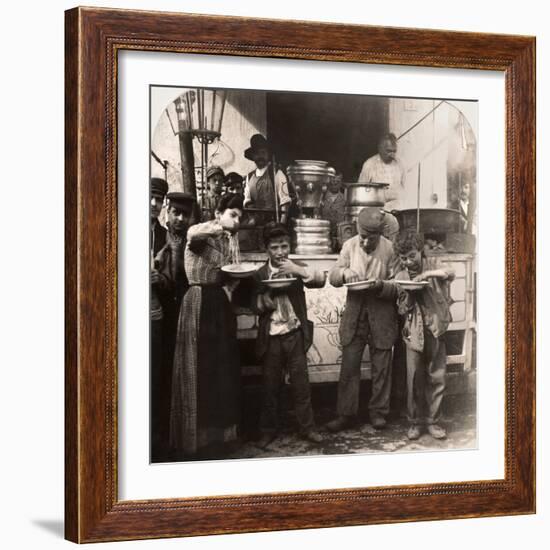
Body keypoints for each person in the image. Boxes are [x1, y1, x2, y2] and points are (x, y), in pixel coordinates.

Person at [170, 193, 244, 458]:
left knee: (221, 367)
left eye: (240, 217)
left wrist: (230, 289)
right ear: (218, 213)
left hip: (219, 304)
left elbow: (232, 273)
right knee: (199, 367)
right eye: (233, 214)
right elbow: (192, 234)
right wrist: (221, 225)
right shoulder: (200, 234)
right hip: (198, 301)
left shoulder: (229, 243)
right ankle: (195, 439)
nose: (237, 221)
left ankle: (221, 436)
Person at [251, 223, 326, 449]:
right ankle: (267, 430)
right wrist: (265, 300)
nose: (281, 251)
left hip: (294, 334)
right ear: (267, 250)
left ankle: (308, 427)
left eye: (284, 246)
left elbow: (320, 280)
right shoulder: (260, 274)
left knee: (301, 386)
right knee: (270, 387)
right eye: (275, 247)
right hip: (272, 336)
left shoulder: (296, 267)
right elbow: (254, 305)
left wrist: (298, 270)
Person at [326, 207, 398, 432]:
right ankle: (345, 414)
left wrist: (382, 286)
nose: (366, 243)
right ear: (358, 232)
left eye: (372, 238)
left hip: (382, 315)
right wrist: (345, 273)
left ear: (380, 234)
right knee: (349, 366)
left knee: (381, 367)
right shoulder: (349, 246)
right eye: (363, 238)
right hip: (355, 314)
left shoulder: (390, 249)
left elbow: (399, 285)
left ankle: (378, 412)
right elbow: (334, 276)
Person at [391, 231, 455, 440]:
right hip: (413, 333)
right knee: (414, 379)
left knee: (436, 377)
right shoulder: (400, 276)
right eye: (403, 258)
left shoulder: (434, 263)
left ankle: (433, 422)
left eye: (412, 256)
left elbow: (450, 272)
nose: (408, 262)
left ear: (420, 251)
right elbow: (401, 309)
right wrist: (409, 296)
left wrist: (428, 275)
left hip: (436, 329)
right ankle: (415, 423)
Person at [151, 191, 195, 461]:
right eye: (176, 213)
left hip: (187, 313)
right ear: (167, 212)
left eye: (185, 214)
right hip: (165, 317)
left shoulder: (193, 241)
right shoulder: (162, 240)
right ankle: (164, 435)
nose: (180, 219)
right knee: (165, 372)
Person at [243, 134, 291, 223]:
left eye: (263, 153)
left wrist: (281, 224)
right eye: (257, 154)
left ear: (268, 154)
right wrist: (252, 219)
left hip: (274, 223)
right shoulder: (249, 178)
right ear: (253, 156)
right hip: (255, 224)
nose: (260, 156)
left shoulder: (277, 174)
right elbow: (247, 201)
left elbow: (285, 202)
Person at [358, 133, 405, 211]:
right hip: (377, 212)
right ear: (380, 148)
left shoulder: (400, 164)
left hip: (398, 210)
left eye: (394, 151)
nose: (392, 155)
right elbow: (361, 192)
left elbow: (405, 189)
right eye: (389, 151)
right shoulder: (369, 164)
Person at [320, 172, 346, 250]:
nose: (334, 184)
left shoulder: (345, 198)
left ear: (341, 183)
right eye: (332, 181)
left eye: (337, 182)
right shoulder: (321, 197)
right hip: (324, 235)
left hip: (339, 236)